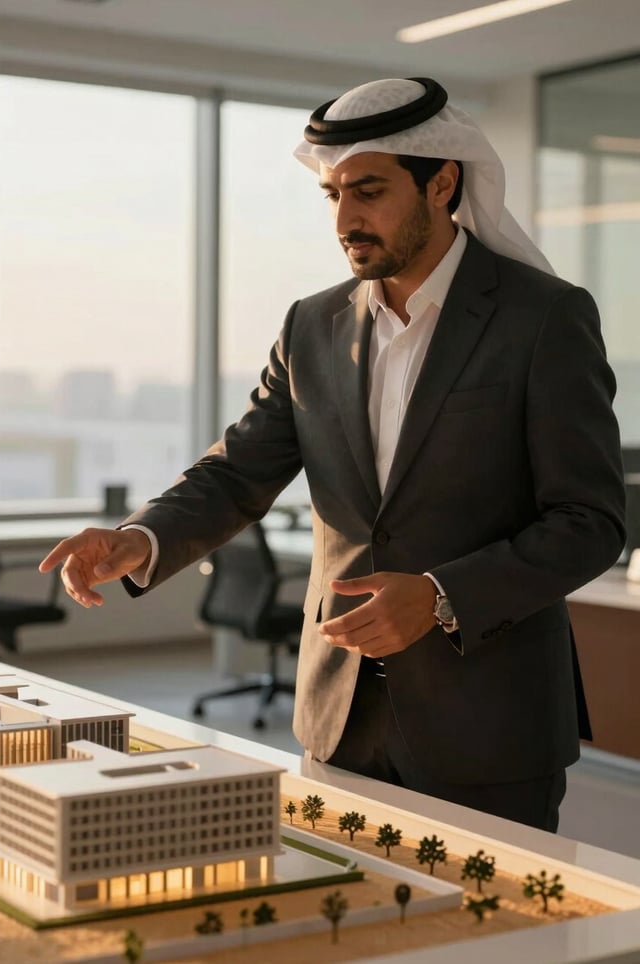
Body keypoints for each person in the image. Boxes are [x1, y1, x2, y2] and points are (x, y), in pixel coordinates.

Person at [40, 77, 625, 833]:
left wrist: (442, 595)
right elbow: (237, 471)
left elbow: (590, 521)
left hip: (490, 725)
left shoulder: (543, 318)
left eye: (370, 191)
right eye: (333, 195)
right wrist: (137, 536)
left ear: (442, 183)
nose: (346, 218)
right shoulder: (311, 325)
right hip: (339, 716)